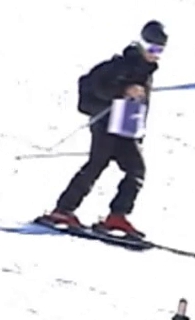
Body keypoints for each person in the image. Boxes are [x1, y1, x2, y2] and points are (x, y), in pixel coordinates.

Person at [40, 20, 167, 238]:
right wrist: (123, 90)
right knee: (97, 164)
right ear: (142, 44)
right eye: (153, 48)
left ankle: (117, 216)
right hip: (106, 124)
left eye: (160, 50)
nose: (156, 55)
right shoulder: (120, 65)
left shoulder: (146, 71)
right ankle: (62, 211)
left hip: (127, 126)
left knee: (136, 170)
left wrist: (139, 132)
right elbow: (97, 88)